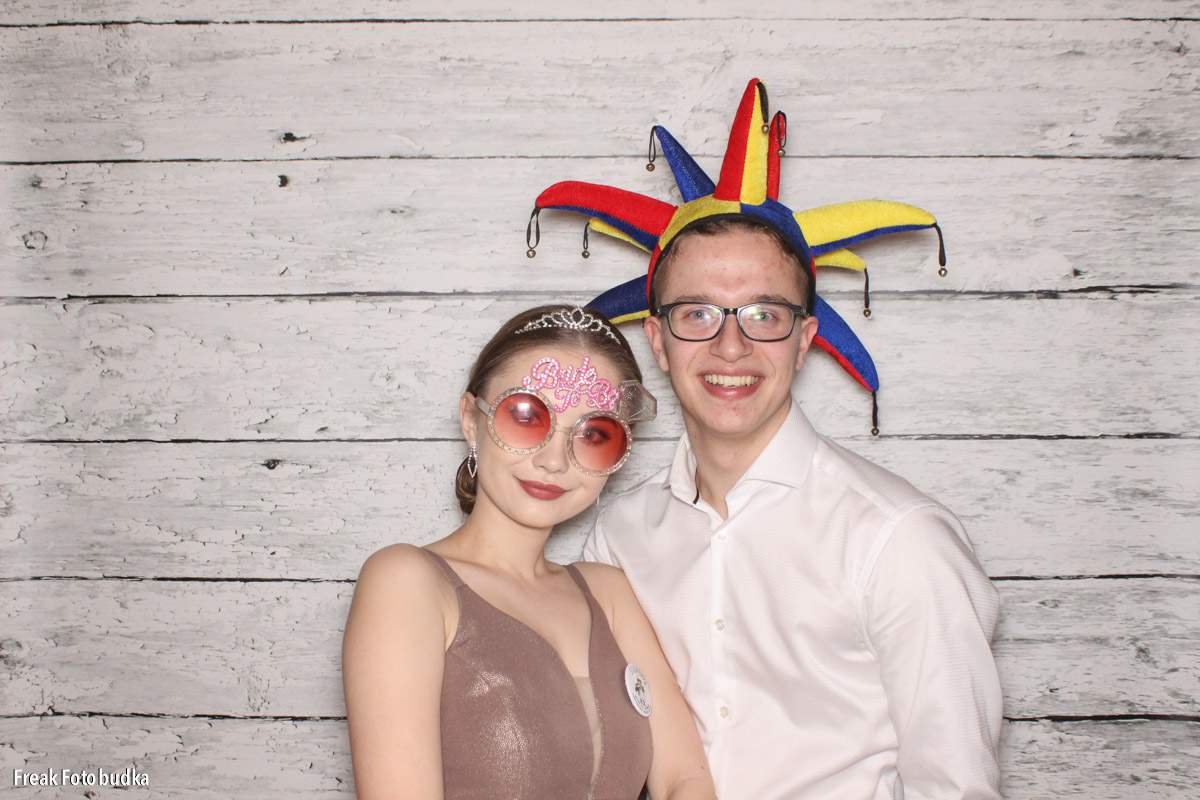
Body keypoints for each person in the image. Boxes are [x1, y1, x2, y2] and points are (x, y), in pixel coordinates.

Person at [529, 80, 1004, 798]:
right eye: (697, 314)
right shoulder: (617, 540)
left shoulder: (899, 539)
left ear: (805, 339)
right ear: (657, 340)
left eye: (764, 315)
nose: (730, 347)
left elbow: (955, 786)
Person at [341, 304, 717, 800]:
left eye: (594, 434)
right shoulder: (407, 581)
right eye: (526, 417)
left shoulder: (608, 593)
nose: (554, 460)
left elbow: (685, 780)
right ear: (471, 420)